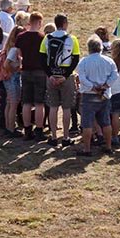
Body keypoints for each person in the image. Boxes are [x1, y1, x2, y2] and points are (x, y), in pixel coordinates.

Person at [40, 14, 80, 146]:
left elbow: (42, 58)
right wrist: (66, 75)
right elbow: (75, 59)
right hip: (66, 76)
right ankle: (66, 137)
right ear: (65, 23)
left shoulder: (47, 37)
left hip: (51, 76)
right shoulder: (72, 39)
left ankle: (53, 136)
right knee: (67, 108)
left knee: (53, 107)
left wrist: (50, 75)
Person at [76, 35, 117, 157]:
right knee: (106, 122)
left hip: (89, 95)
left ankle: (87, 149)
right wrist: (105, 86)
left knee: (87, 123)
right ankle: (108, 146)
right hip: (104, 95)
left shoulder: (84, 61)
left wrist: (93, 87)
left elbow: (82, 78)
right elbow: (115, 76)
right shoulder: (109, 61)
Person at [16, 11, 47, 140]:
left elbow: (18, 54)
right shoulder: (42, 37)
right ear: (39, 22)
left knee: (26, 102)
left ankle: (27, 130)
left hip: (26, 70)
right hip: (39, 71)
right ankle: (39, 130)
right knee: (39, 103)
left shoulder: (21, 37)